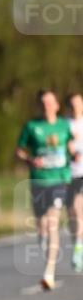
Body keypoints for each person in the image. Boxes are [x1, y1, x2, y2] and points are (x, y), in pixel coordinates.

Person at [15, 89, 76, 290]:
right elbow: (19, 150)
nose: (47, 106)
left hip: (59, 179)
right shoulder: (32, 126)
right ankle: (42, 240)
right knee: (41, 224)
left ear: (57, 106)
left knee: (52, 223)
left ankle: (49, 272)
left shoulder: (64, 125)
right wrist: (30, 159)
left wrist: (74, 154)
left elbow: (70, 146)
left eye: (50, 102)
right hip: (38, 180)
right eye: (43, 103)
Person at [66, 92, 83, 272]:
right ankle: (77, 243)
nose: (75, 106)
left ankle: (78, 248)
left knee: (79, 211)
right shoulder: (64, 124)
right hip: (68, 173)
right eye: (72, 104)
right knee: (71, 213)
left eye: (78, 103)